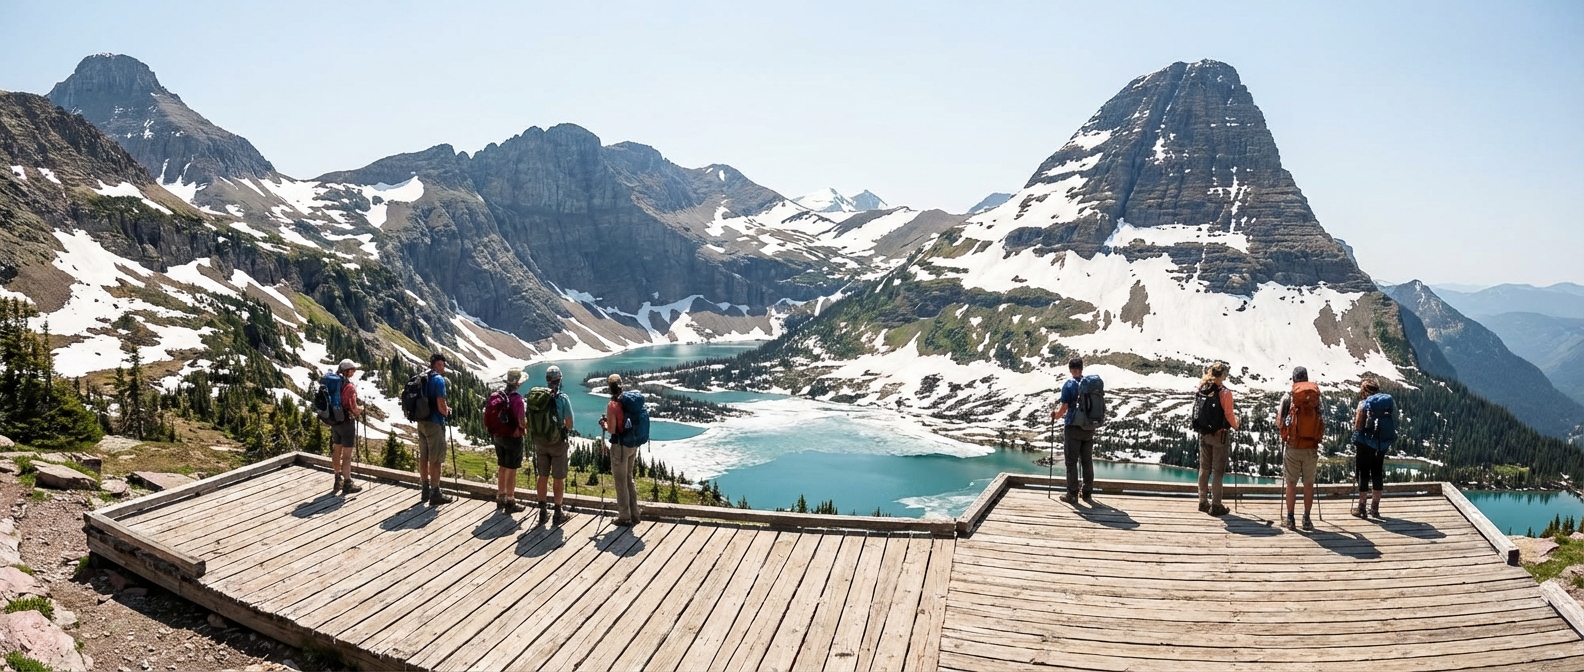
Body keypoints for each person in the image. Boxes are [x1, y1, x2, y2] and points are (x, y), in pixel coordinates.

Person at [1278, 366, 1322, 530]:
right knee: (1308, 484)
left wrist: (1286, 436)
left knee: (1291, 484)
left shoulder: (1288, 397)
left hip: (1293, 447)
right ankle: (1307, 519)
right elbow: (1322, 419)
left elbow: (1280, 422)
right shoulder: (1316, 398)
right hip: (1311, 447)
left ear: (1294, 379)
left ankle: (1290, 519)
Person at [531, 366, 575, 526]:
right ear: (560, 379)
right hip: (557, 444)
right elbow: (569, 424)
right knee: (558, 478)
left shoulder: (538, 397)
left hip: (540, 443)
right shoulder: (563, 398)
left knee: (542, 476)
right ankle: (558, 512)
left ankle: (542, 511)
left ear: (547, 380)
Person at [1194, 361, 1239, 516]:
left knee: (1204, 468)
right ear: (1223, 375)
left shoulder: (1202, 387)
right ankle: (1216, 505)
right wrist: (1236, 424)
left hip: (1204, 434)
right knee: (1217, 471)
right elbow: (1228, 415)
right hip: (1220, 436)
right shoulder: (1225, 393)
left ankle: (1202, 501)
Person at [1049, 357, 1095, 504]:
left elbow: (1064, 407)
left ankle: (1072, 495)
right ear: (1081, 368)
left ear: (1070, 369)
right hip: (1089, 428)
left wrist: (1056, 416)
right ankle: (1087, 493)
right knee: (1087, 461)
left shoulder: (1069, 384)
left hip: (1073, 428)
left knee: (1071, 462)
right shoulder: (1091, 384)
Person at [598, 374, 641, 526]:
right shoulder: (628, 401)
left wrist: (603, 425)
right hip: (632, 445)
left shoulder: (613, 405)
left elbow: (612, 429)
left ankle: (624, 516)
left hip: (620, 447)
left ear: (609, 388)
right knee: (629, 478)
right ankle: (635, 513)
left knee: (620, 482)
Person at [416, 353, 453, 505]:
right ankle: (435, 492)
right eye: (441, 363)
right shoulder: (438, 379)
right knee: (436, 459)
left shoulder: (422, 377)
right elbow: (440, 403)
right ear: (435, 364)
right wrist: (447, 411)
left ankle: (425, 489)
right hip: (434, 423)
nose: (443, 366)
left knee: (424, 456)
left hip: (421, 421)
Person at [493, 369, 527, 514]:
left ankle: (500, 496)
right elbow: (521, 421)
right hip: (513, 438)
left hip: (498, 436)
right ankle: (511, 500)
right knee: (512, 470)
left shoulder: (499, 395)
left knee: (502, 466)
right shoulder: (517, 399)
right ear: (518, 384)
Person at [1353, 378, 1387, 518]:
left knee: (1363, 474)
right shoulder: (1385, 404)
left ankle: (1362, 508)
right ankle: (1375, 508)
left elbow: (1358, 426)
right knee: (1377, 473)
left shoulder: (1363, 404)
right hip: (1380, 444)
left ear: (1365, 391)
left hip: (1364, 444)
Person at [330, 359, 363, 495]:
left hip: (334, 421)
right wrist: (360, 409)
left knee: (336, 449)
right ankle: (348, 482)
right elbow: (353, 408)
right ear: (347, 371)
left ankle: (337, 478)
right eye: (352, 370)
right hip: (346, 422)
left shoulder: (334, 382)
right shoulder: (349, 386)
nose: (354, 372)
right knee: (347, 455)